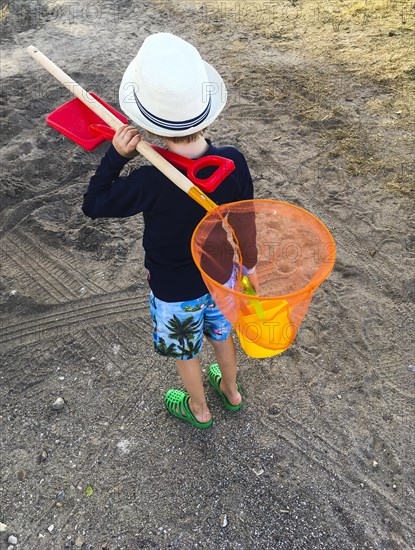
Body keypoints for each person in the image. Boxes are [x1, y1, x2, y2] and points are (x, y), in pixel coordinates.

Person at [82, 33, 257, 428]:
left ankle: (199, 409)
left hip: (174, 289)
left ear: (149, 124)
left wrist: (115, 156)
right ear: (206, 111)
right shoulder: (233, 162)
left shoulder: (149, 181)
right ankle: (231, 391)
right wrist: (249, 266)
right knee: (221, 334)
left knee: (186, 352)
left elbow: (93, 204)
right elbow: (245, 219)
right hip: (222, 278)